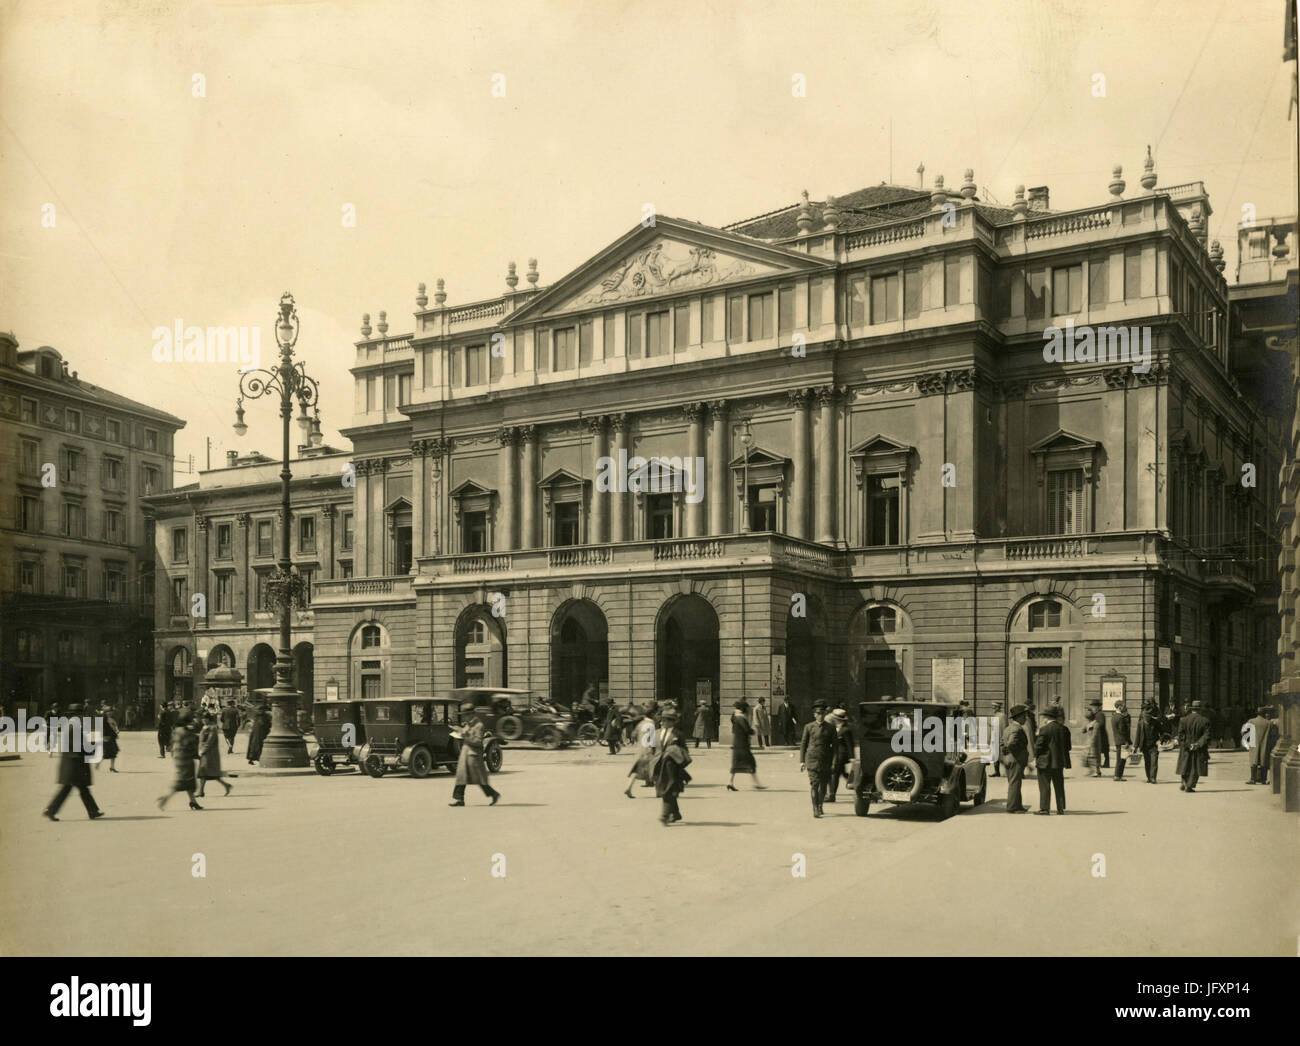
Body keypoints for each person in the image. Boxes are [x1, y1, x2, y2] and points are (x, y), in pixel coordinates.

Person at [43, 704, 104, 821]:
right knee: (70, 788)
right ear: (77, 715)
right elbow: (82, 746)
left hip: (71, 762)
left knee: (81, 788)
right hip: (74, 763)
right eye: (81, 715)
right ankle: (51, 810)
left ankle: (93, 811)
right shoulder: (74, 727)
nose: (82, 717)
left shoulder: (70, 725)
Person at [449, 702, 500, 806]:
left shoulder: (479, 725)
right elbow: (465, 734)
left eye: (464, 715)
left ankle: (493, 794)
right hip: (465, 753)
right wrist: (459, 731)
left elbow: (477, 741)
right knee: (461, 776)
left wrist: (462, 733)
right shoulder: (468, 724)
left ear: (471, 714)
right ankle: (459, 800)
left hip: (474, 755)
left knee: (479, 778)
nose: (463, 718)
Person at [798, 699, 837, 818]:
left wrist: (834, 763)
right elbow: (803, 745)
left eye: (822, 714)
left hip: (825, 759)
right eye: (818, 713)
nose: (820, 716)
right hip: (812, 759)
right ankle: (815, 808)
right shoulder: (808, 727)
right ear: (814, 714)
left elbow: (835, 747)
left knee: (824, 785)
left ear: (825, 714)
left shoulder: (830, 728)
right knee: (814, 784)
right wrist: (802, 761)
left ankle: (820, 805)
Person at [157, 709, 202, 811]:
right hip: (185, 758)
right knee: (181, 782)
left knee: (188, 782)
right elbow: (189, 744)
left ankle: (193, 802)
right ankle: (164, 799)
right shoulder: (185, 732)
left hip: (178, 757)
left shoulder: (176, 730)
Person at [652, 711, 691, 825]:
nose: (661, 722)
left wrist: (675, 753)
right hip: (659, 766)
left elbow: (685, 751)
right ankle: (676, 813)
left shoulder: (678, 734)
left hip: (673, 767)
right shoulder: (656, 733)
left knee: (668, 790)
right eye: (661, 719)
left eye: (664, 720)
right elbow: (653, 749)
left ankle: (664, 816)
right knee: (666, 790)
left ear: (671, 722)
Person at [1033, 705, 1070, 815]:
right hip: (1058, 762)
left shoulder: (1044, 729)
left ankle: (1045, 808)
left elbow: (1038, 746)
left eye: (1043, 716)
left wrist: (1035, 755)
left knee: (1044, 786)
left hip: (1045, 762)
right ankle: (1060, 808)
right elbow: (1068, 747)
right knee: (1059, 785)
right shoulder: (1064, 729)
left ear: (1046, 717)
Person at [727, 699, 764, 791]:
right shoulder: (741, 718)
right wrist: (753, 731)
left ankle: (730, 783)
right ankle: (757, 784)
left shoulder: (735, 716)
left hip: (737, 743)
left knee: (735, 765)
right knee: (751, 763)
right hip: (743, 744)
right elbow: (747, 730)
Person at [1176, 699, 1211, 793]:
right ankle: (1189, 786)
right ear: (1200, 709)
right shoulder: (1204, 720)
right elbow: (1207, 735)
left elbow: (1180, 735)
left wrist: (1187, 745)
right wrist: (1197, 744)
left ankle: (1184, 781)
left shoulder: (1183, 720)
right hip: (1198, 748)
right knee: (1195, 767)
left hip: (1186, 747)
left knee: (1185, 765)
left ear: (1191, 709)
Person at [1000, 704, 1030, 812]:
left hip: (1008, 759)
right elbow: (1011, 742)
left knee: (1015, 783)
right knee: (1015, 783)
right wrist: (1010, 749)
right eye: (1024, 716)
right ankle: (1012, 807)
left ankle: (1018, 805)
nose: (1025, 718)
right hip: (1015, 759)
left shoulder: (1008, 728)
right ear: (1018, 717)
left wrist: (1005, 752)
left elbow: (1002, 743)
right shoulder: (1016, 729)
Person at [196, 713, 233, 798]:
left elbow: (210, 741)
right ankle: (226, 785)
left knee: (205, 772)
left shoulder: (212, 728)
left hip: (210, 754)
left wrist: (202, 750)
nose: (203, 720)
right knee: (208, 773)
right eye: (202, 719)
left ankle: (201, 791)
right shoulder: (204, 727)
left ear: (209, 719)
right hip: (205, 753)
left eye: (205, 719)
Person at [624, 707, 658, 797]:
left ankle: (628, 787)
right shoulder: (651, 724)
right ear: (652, 714)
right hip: (648, 750)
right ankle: (659, 792)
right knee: (656, 769)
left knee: (636, 770)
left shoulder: (641, 723)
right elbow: (653, 738)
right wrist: (654, 749)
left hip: (640, 750)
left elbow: (634, 735)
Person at [824, 707, 854, 802]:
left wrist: (852, 757)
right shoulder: (835, 728)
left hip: (841, 755)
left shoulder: (845, 730)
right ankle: (857, 785)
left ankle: (832, 795)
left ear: (838, 719)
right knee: (841, 774)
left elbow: (850, 744)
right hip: (836, 754)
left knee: (835, 774)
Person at [1244, 705, 1278, 785]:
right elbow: (1273, 734)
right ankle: (1263, 779)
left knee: (1253, 760)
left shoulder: (1251, 721)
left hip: (1253, 743)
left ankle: (1253, 779)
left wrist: (1248, 739)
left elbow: (1243, 731)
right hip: (1265, 744)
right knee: (1264, 761)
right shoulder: (1268, 723)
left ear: (1257, 713)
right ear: (1264, 713)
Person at [1133, 700, 1162, 783]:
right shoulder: (1140, 723)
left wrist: (1160, 740)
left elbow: (1162, 732)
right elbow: (1137, 736)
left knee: (1154, 762)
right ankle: (1149, 777)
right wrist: (1135, 747)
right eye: (1146, 716)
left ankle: (1153, 778)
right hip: (1144, 745)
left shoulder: (1155, 722)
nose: (1147, 718)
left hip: (1153, 745)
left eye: (1149, 716)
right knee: (1147, 762)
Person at [1084, 699, 1109, 777]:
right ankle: (1094, 770)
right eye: (1092, 706)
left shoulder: (1100, 714)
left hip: (1100, 736)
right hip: (1095, 736)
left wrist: (1094, 724)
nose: (1092, 708)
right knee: (1093, 754)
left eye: (1094, 706)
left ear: (1098, 707)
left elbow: (1101, 724)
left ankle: (1097, 770)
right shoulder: (1094, 714)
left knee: (1096, 753)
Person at [1110, 699, 1131, 781]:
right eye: (1123, 706)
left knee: (1120, 758)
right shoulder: (1120, 718)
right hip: (1122, 741)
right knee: (1122, 759)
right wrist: (1126, 741)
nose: (1124, 707)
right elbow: (1123, 731)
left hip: (1117, 739)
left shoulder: (1114, 716)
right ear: (1119, 707)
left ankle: (1118, 775)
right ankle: (1118, 775)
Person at [101, 705, 120, 773]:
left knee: (113, 753)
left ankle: (112, 767)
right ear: (106, 712)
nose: (111, 713)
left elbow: (115, 726)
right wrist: (104, 736)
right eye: (110, 712)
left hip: (111, 738)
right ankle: (97, 764)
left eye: (111, 712)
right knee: (105, 753)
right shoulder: (104, 720)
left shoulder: (111, 719)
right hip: (106, 737)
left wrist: (116, 731)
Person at [989, 701, 1006, 777]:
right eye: (992, 708)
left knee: (1002, 756)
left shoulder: (1002, 716)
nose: (993, 709)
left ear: (998, 708)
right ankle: (997, 772)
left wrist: (1003, 739)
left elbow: (1004, 728)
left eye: (994, 707)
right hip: (994, 738)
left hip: (1000, 738)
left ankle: (1009, 771)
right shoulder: (995, 716)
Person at [1022, 699, 1038, 778]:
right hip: (1028, 735)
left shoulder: (1028, 716)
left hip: (1027, 736)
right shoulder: (1030, 715)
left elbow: (1033, 727)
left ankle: (1026, 769)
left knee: (1025, 752)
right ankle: (1028, 768)